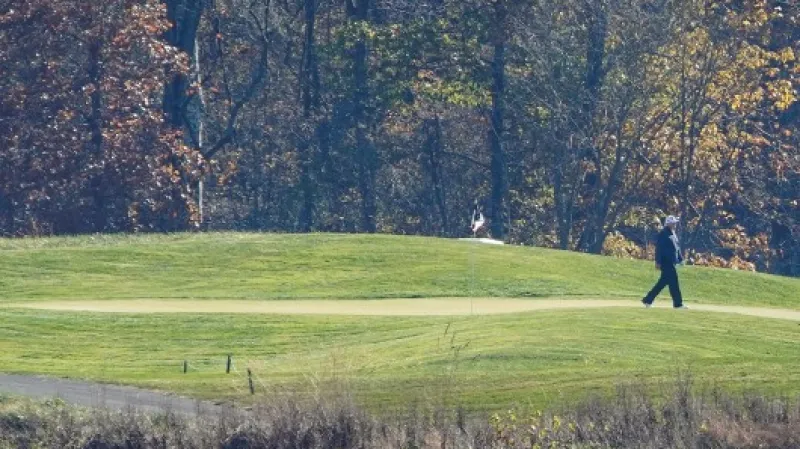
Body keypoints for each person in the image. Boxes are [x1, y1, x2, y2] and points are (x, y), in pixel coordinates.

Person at [642, 215, 687, 309]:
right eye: (673, 223)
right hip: (666, 262)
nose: (675, 225)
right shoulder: (663, 234)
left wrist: (680, 259)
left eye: (675, 223)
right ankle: (678, 304)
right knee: (674, 283)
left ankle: (647, 300)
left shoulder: (673, 234)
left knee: (662, 283)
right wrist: (658, 262)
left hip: (672, 262)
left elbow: (677, 248)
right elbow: (659, 249)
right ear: (669, 224)